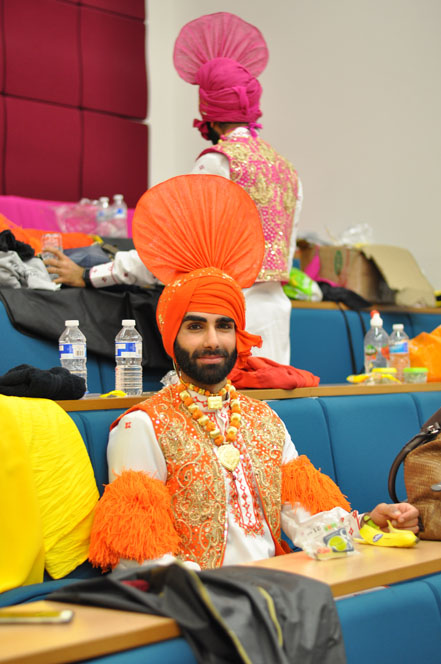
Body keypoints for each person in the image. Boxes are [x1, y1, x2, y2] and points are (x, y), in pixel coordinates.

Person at [88, 174, 418, 573]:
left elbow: (307, 525)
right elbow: (138, 558)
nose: (212, 340)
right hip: (204, 606)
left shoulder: (264, 421)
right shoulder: (142, 427)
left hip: (276, 590)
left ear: (238, 333)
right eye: (195, 326)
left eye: (224, 326)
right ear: (171, 336)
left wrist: (367, 524)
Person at [45, 12, 301, 365]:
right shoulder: (287, 170)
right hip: (276, 317)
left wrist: (90, 274)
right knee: (263, 416)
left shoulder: (219, 162)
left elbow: (169, 253)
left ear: (208, 113)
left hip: (224, 323)